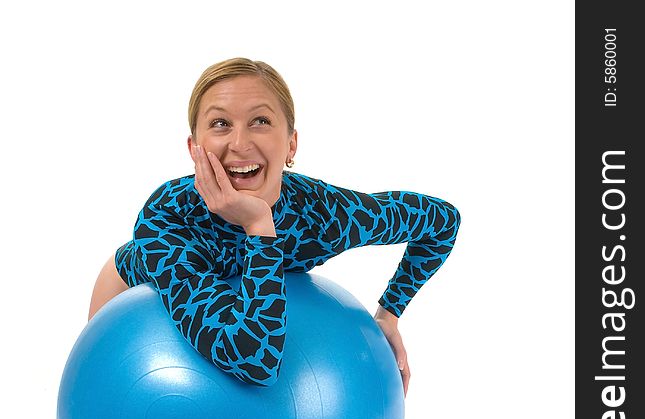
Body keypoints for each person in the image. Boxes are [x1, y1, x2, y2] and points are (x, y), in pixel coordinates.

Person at [88, 58, 461, 396]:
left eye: (260, 121)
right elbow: (253, 360)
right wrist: (257, 224)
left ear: (291, 143)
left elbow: (442, 222)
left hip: (245, 290)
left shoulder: (322, 214)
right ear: (194, 148)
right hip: (137, 289)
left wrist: (389, 313)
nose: (239, 143)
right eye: (220, 124)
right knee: (99, 396)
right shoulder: (168, 217)